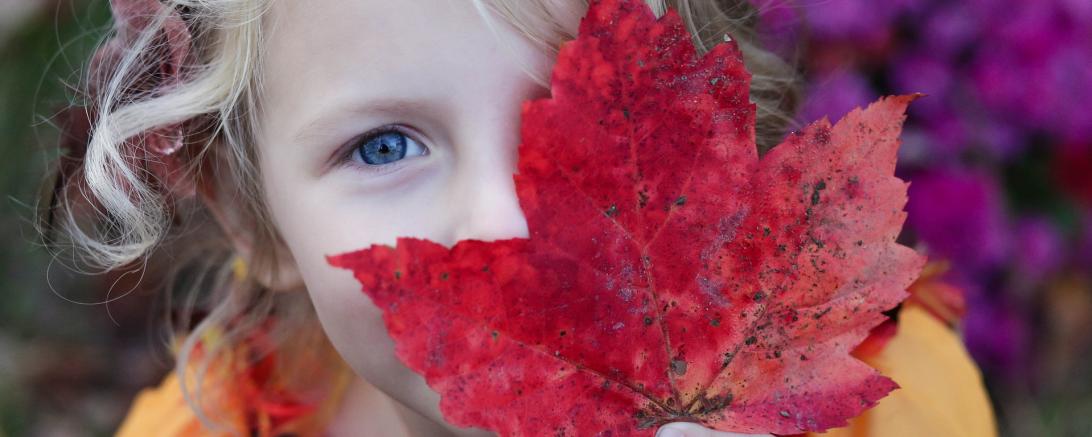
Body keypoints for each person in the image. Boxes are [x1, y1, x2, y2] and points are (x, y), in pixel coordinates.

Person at [39, 0, 997, 435]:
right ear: (253, 221)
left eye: (578, 111)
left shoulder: (891, 405)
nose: (506, 224)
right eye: (384, 147)